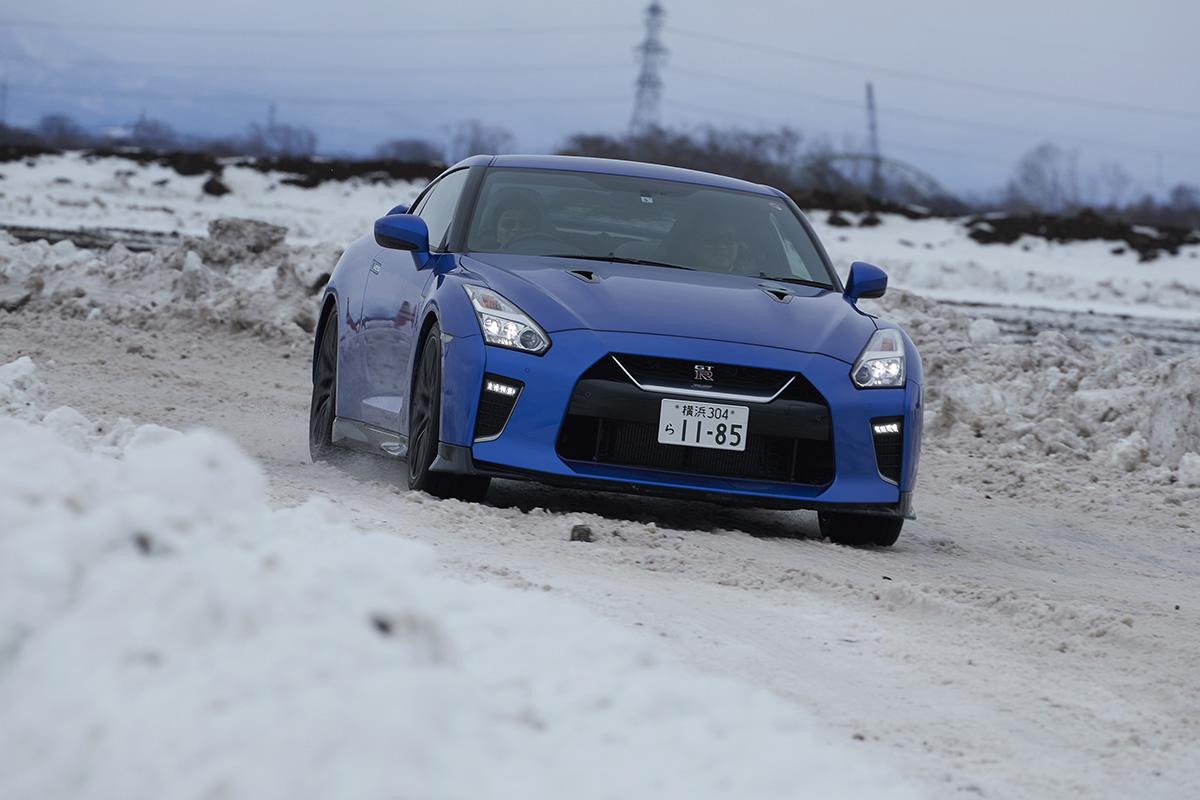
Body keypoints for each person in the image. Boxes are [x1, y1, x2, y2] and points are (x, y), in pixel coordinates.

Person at [477, 187, 543, 250]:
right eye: (508, 223)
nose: (517, 229)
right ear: (496, 232)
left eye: (526, 224)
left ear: (537, 229)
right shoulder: (477, 257)